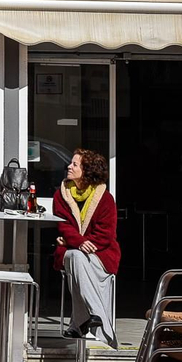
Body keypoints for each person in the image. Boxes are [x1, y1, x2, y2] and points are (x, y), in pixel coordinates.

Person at [54, 147, 121, 347]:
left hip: (100, 254)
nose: (69, 166)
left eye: (75, 164)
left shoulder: (105, 199)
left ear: (87, 170)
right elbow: (63, 225)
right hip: (74, 251)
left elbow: (105, 234)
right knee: (75, 257)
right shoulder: (62, 194)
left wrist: (76, 243)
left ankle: (78, 324)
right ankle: (96, 316)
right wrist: (78, 242)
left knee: (77, 260)